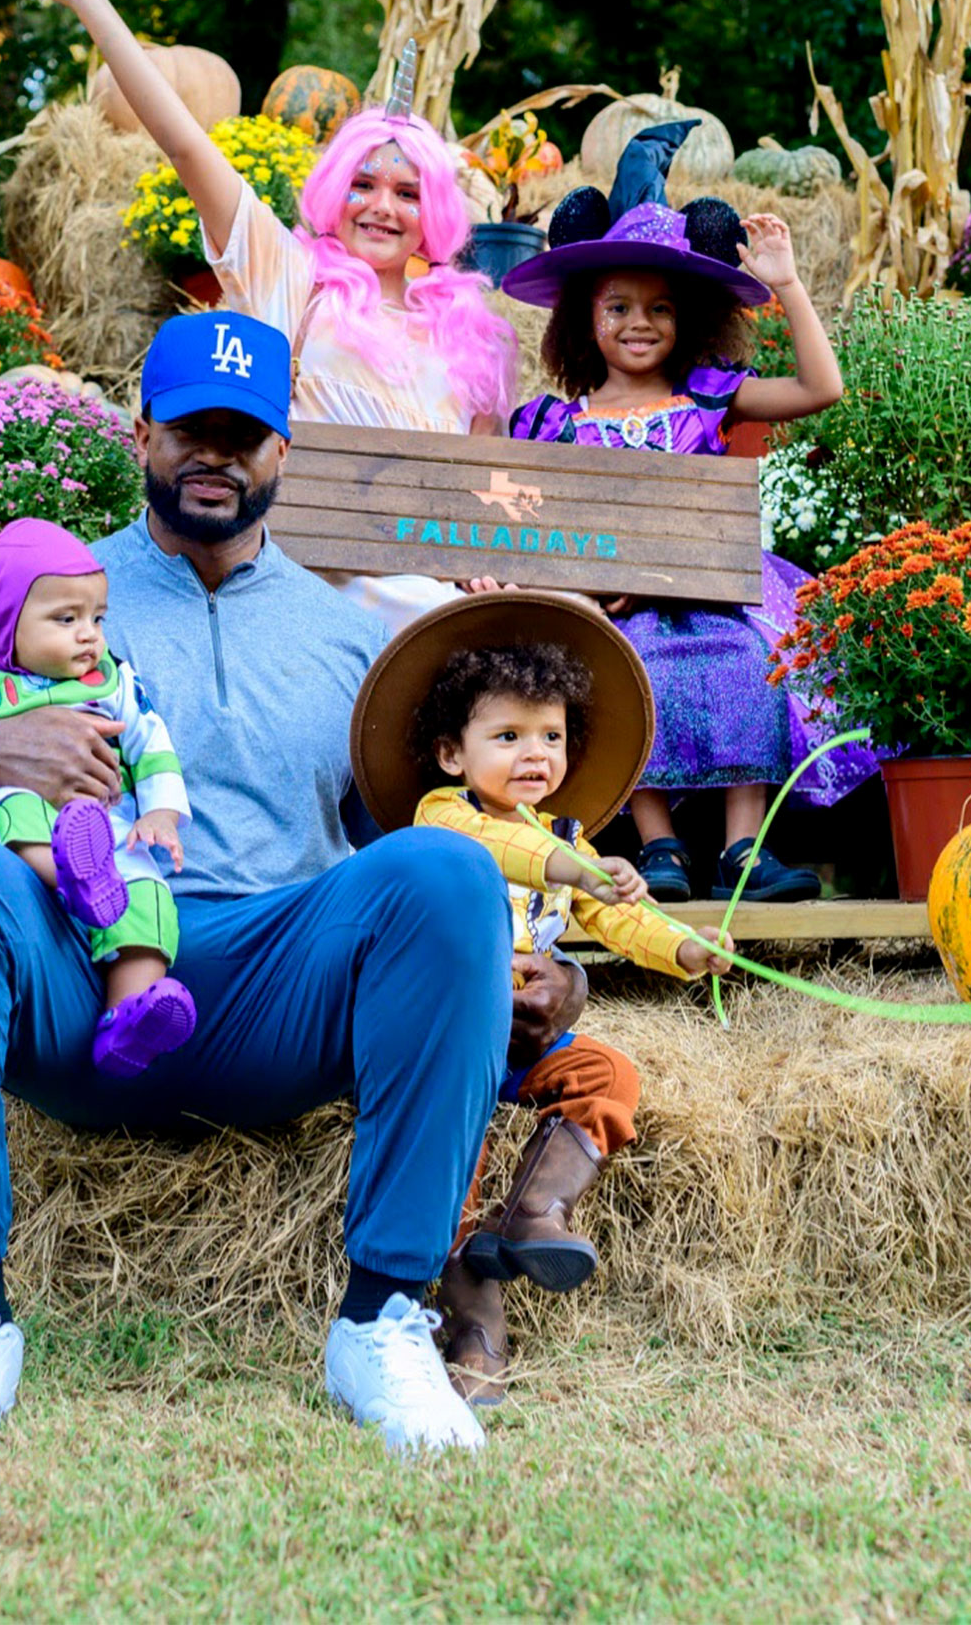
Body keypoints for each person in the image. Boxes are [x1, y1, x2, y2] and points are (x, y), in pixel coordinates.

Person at [0, 307, 578, 1471]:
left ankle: (383, 1318)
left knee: (442, 871)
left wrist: (544, 961)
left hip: (273, 997)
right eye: (191, 428)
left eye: (243, 436)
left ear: (282, 453)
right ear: (141, 433)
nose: (216, 456)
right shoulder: (45, 595)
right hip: (78, 975)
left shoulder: (354, 643)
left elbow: (446, 851)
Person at [0, 0, 517, 631]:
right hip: (313, 584)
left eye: (405, 191)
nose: (381, 206)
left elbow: (485, 494)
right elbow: (186, 146)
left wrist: (491, 560)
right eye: (362, 184)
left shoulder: (468, 334)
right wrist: (95, 7)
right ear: (335, 190)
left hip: (431, 596)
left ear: (435, 211)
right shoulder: (292, 278)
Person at [346, 596, 729, 1405]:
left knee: (609, 1078)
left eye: (551, 737)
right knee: (454, 1139)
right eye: (509, 737)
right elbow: (505, 848)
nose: (535, 754)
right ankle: (469, 1310)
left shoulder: (570, 841)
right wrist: (572, 865)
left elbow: (619, 919)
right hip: (455, 1037)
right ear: (453, 753)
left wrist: (685, 948)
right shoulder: (445, 816)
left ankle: (533, 1215)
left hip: (529, 1034)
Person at [498, 123, 851, 904]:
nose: (638, 322)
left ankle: (743, 851)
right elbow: (527, 519)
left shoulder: (707, 399)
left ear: (686, 317)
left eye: (660, 307)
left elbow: (820, 389)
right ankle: (660, 845)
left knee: (750, 667)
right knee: (626, 674)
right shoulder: (552, 423)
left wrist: (786, 284)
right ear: (583, 319)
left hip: (712, 592)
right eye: (617, 305)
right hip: (616, 603)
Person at [0, 518, 195, 1079]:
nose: (89, 634)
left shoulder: (114, 682)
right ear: (5, 625)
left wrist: (161, 815)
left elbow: (152, 744)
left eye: (97, 618)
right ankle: (71, 876)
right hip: (19, 857)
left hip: (105, 830)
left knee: (146, 886)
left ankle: (127, 1019)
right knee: (9, 806)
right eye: (65, 619)